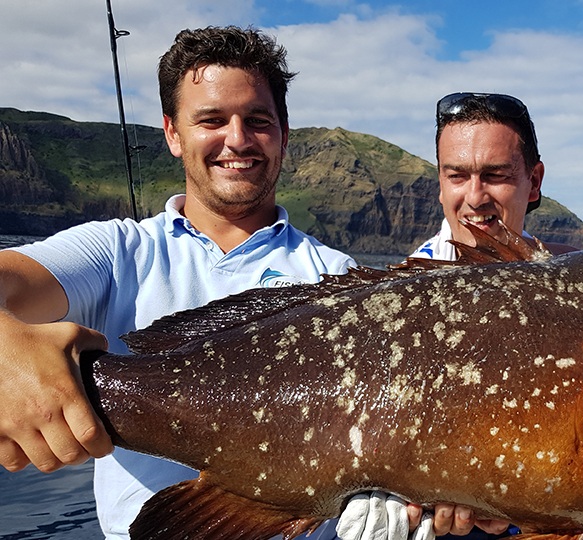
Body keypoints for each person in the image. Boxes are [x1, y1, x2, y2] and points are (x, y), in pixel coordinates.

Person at [0, 25, 463, 540]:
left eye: (258, 121)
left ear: (283, 134)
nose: (237, 139)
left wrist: (418, 490)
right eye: (212, 120)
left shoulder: (342, 277)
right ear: (173, 134)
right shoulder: (116, 250)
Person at [412, 92, 576, 261]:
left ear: (534, 182)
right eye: (457, 176)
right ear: (441, 184)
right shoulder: (410, 275)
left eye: (495, 175)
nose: (475, 199)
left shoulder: (574, 268)